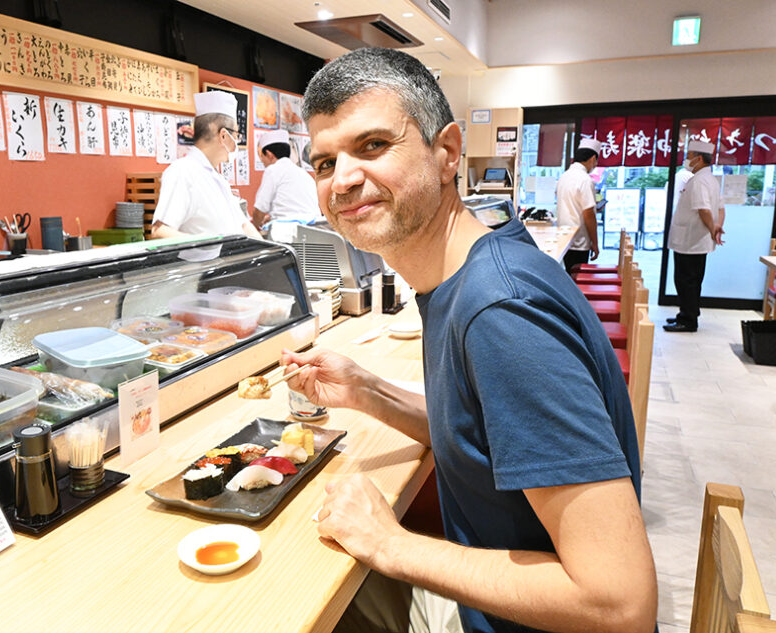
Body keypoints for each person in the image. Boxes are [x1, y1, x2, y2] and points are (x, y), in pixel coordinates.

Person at [283, 47, 657, 633]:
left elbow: (619, 603)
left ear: (446, 153)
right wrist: (366, 390)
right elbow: (480, 436)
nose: (345, 179)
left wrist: (391, 544)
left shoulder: (501, 312)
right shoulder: (472, 269)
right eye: (325, 162)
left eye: (373, 146)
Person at [150, 91, 261, 240]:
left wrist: (269, 250)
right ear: (223, 135)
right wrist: (207, 244)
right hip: (203, 263)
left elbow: (243, 225)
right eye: (236, 135)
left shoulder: (218, 179)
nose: (237, 141)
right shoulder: (182, 171)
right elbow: (160, 231)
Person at [664, 139, 723, 333]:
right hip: (697, 241)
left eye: (688, 156)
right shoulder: (711, 179)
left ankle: (688, 320)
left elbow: (704, 209)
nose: (686, 160)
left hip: (690, 241)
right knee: (694, 280)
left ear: (698, 158)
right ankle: (687, 314)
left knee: (685, 281)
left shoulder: (698, 180)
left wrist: (713, 228)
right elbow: (721, 209)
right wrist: (716, 227)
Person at [252, 129, 321, 229]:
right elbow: (295, 207)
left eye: (261, 156)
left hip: (288, 234)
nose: (262, 162)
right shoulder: (303, 173)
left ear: (269, 154)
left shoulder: (273, 170)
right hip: (315, 230)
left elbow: (259, 210)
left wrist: (254, 228)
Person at [555, 138, 601, 272]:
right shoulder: (585, 180)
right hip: (579, 241)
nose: (596, 165)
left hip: (564, 239)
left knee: (569, 275)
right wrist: (595, 243)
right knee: (576, 279)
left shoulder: (564, 176)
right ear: (592, 158)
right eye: (596, 161)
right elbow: (588, 215)